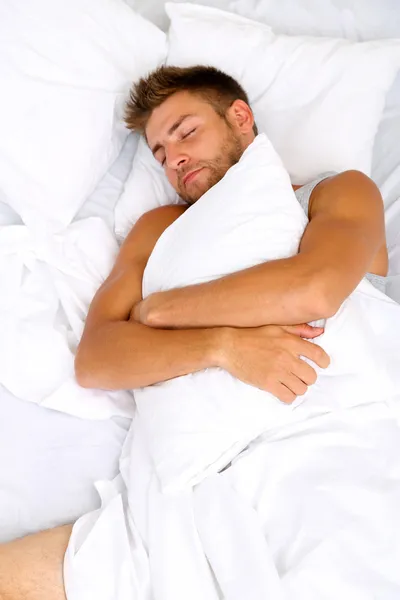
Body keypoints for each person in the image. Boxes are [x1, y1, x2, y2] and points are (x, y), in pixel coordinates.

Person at [0, 65, 388, 600]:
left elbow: (317, 289)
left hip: (337, 437)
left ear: (240, 118)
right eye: (159, 154)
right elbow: (97, 360)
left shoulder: (337, 191)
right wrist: (225, 347)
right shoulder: (161, 229)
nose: (174, 159)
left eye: (185, 132)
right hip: (195, 474)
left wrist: (161, 312)